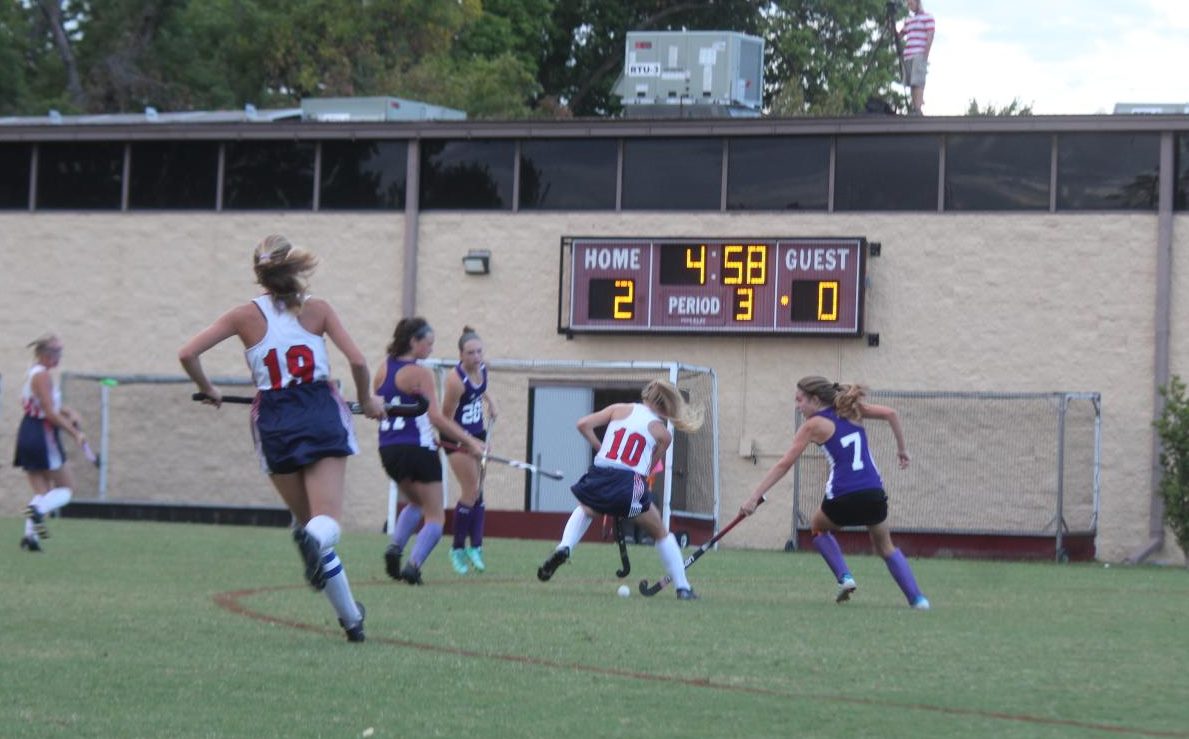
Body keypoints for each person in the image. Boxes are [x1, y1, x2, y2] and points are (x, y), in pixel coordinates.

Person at [178, 234, 383, 642]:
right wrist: (368, 400)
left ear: (260, 273)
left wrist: (211, 388)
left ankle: (352, 621)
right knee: (325, 525)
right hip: (319, 410)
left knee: (310, 523)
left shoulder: (242, 316)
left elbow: (188, 353)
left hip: (273, 418)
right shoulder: (318, 309)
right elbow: (358, 360)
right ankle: (316, 548)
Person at [739, 376, 930, 610]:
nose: (797, 406)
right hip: (873, 492)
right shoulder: (853, 410)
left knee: (817, 527)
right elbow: (890, 413)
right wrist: (902, 450)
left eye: (800, 400)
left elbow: (784, 464)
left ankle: (844, 577)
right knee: (885, 547)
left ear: (816, 399)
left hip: (842, 496)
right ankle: (918, 600)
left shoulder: (812, 426)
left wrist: (753, 497)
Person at [537, 380, 704, 600]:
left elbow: (582, 424)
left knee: (587, 509)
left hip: (600, 473)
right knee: (660, 532)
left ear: (646, 395)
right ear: (667, 408)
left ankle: (565, 547)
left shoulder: (618, 409)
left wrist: (601, 448)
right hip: (628, 484)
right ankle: (683, 588)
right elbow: (645, 471)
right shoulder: (663, 434)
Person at [375, 317, 485, 585]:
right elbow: (436, 417)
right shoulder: (419, 373)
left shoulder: (382, 369)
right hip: (418, 448)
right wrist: (469, 440)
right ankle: (413, 567)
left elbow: (378, 408)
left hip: (388, 449)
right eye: (428, 343)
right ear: (414, 342)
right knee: (435, 515)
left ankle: (395, 547)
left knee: (415, 502)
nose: (431, 349)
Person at [13, 334, 88, 552]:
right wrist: (75, 433)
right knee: (67, 488)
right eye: (56, 352)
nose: (59, 357)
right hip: (41, 433)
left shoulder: (33, 373)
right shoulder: (42, 376)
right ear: (44, 354)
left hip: (28, 431)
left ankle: (31, 538)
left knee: (42, 492)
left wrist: (69, 411)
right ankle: (36, 515)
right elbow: (49, 413)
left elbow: (44, 404)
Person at [440, 326, 499, 574]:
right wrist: (469, 443)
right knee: (470, 490)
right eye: (470, 353)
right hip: (456, 438)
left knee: (480, 492)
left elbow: (482, 389)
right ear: (461, 355)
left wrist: (491, 401)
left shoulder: (482, 369)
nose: (476, 357)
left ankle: (476, 546)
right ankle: (456, 549)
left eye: (479, 352)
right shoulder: (455, 381)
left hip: (478, 434)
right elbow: (445, 419)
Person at [899, 0, 935, 115]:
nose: (910, 6)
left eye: (911, 4)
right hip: (908, 54)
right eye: (908, 4)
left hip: (919, 53)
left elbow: (930, 36)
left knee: (918, 81)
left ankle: (918, 109)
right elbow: (900, 35)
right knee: (911, 82)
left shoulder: (928, 17)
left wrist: (925, 55)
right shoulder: (909, 20)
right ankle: (914, 107)